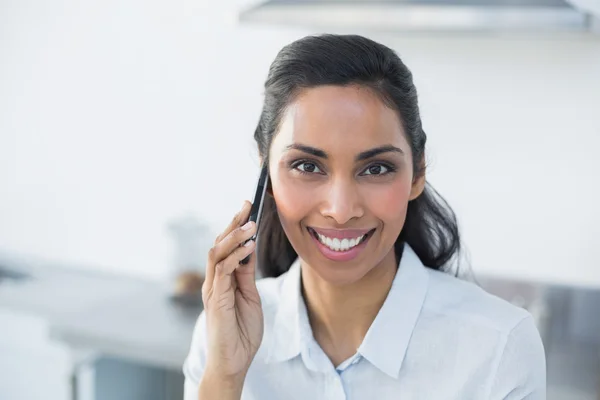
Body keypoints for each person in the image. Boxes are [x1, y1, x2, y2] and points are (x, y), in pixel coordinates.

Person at [183, 34, 546, 399]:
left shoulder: (499, 350)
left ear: (417, 173)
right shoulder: (221, 335)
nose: (341, 211)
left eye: (375, 169)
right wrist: (225, 378)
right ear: (267, 176)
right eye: (307, 165)